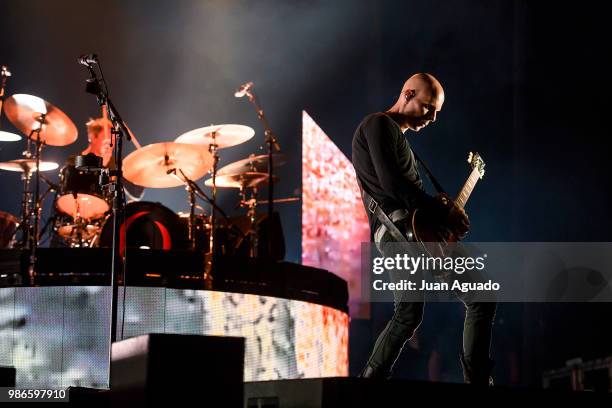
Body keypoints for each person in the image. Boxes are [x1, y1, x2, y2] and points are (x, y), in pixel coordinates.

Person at [351, 73, 496, 385]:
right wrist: (439, 209)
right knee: (468, 299)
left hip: (411, 233)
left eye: (437, 113)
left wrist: (446, 216)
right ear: (408, 93)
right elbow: (392, 186)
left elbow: (411, 194)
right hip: (397, 232)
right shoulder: (378, 124)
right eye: (428, 107)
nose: (432, 118)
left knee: (412, 313)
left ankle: (370, 381)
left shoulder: (400, 140)